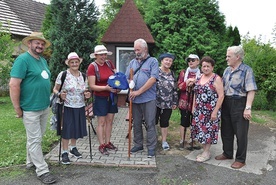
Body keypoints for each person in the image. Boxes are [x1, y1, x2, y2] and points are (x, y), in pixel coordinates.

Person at [9, 32, 57, 184]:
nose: (40, 46)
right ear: (29, 44)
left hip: (43, 106)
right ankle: (42, 170)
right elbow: (14, 84)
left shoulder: (42, 61)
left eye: (42, 44)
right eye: (37, 43)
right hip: (30, 107)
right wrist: (17, 108)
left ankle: (31, 162)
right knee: (35, 139)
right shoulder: (22, 60)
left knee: (36, 137)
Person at [215, 46, 257, 169]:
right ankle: (227, 153)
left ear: (237, 57)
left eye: (229, 56)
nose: (226, 58)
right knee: (226, 130)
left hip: (240, 102)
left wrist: (248, 107)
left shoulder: (246, 70)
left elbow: (251, 90)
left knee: (241, 133)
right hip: (226, 102)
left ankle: (240, 159)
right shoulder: (227, 70)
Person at [53, 52, 91, 165]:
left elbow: (85, 91)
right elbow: (55, 89)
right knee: (66, 129)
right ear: (68, 63)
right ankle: (64, 152)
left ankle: (73, 148)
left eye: (76, 62)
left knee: (75, 128)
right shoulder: (63, 74)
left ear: (79, 63)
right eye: (72, 62)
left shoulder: (83, 76)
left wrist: (87, 95)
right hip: (67, 106)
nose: (74, 64)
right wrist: (60, 94)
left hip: (80, 106)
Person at [125, 38, 159, 158]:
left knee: (150, 123)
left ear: (145, 49)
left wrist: (139, 91)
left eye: (138, 49)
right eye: (135, 50)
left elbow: (153, 79)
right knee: (137, 123)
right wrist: (130, 84)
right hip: (135, 99)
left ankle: (151, 147)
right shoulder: (132, 63)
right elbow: (127, 77)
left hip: (148, 98)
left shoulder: (153, 61)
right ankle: (138, 144)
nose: (136, 52)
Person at [191, 56, 224, 162]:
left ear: (212, 67)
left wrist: (215, 111)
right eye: (204, 66)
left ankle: (206, 152)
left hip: (210, 111)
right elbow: (196, 93)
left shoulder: (216, 78)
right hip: (199, 110)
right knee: (201, 131)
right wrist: (193, 106)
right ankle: (205, 150)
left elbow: (221, 95)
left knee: (208, 132)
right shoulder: (200, 77)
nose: (205, 68)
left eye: (208, 66)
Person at [87, 45, 119, 155]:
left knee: (110, 121)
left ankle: (108, 142)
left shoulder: (109, 64)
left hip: (112, 97)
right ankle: (101, 145)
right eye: (101, 54)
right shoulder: (92, 67)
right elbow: (92, 86)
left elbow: (116, 78)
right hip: (100, 97)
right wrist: (105, 88)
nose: (103, 56)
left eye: (105, 54)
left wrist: (117, 88)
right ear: (95, 55)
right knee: (101, 122)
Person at [178, 54, 201, 149]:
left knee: (195, 121)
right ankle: (182, 140)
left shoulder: (201, 74)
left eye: (193, 60)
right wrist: (187, 83)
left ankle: (193, 140)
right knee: (184, 121)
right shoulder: (183, 73)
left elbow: (203, 86)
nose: (190, 62)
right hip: (185, 101)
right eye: (189, 60)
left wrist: (195, 82)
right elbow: (179, 86)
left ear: (198, 62)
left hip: (196, 101)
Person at [156, 53, 178, 151]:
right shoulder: (155, 71)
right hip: (155, 101)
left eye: (170, 60)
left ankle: (164, 141)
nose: (168, 62)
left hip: (168, 103)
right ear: (161, 61)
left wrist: (174, 102)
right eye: (166, 60)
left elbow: (175, 89)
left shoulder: (172, 73)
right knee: (153, 121)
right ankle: (152, 140)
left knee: (165, 122)